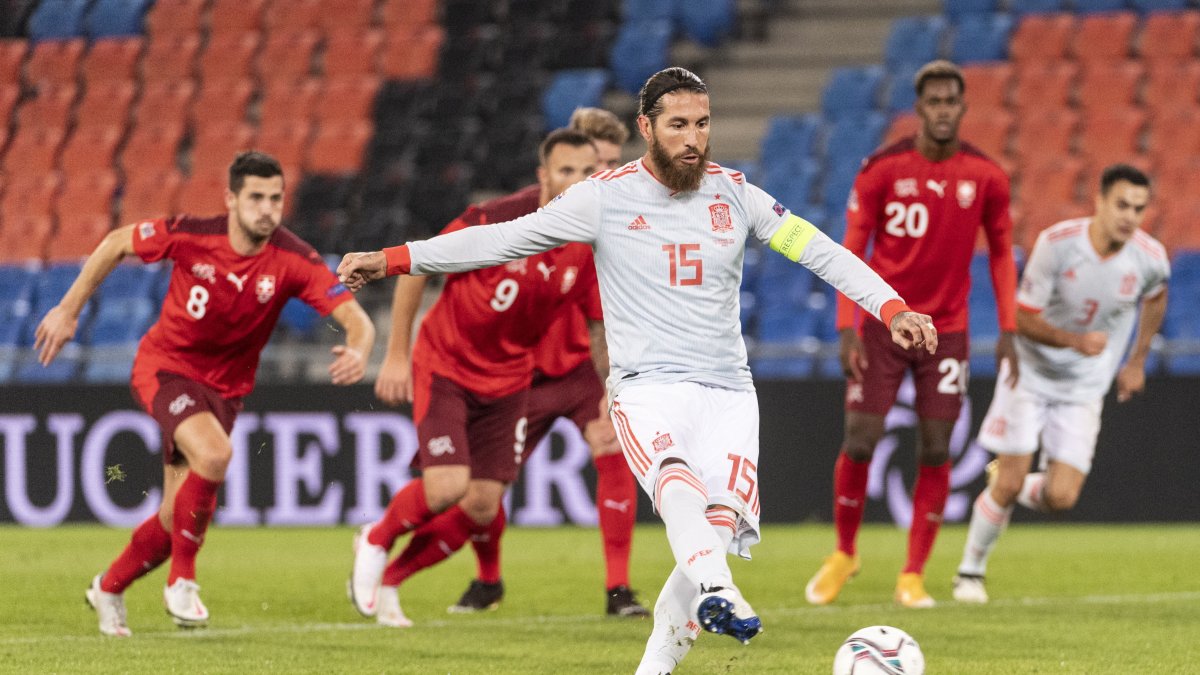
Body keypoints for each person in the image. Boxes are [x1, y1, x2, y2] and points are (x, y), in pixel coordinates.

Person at [338, 67, 938, 674]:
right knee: (677, 487)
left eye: (701, 124)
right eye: (678, 125)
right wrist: (394, 259)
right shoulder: (604, 198)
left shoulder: (737, 196)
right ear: (646, 128)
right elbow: (499, 241)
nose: (693, 139)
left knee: (716, 530)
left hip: (729, 393)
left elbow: (819, 251)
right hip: (647, 388)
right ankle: (720, 589)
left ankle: (667, 650)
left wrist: (892, 308)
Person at [34, 151, 375, 637]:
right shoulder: (193, 234)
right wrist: (68, 310)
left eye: (275, 199)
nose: (267, 209)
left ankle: (108, 587)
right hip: (165, 369)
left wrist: (359, 349)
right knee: (214, 454)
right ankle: (183, 581)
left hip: (225, 392)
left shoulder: (294, 259)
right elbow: (115, 242)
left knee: (175, 516)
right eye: (256, 198)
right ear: (231, 199)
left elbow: (356, 320)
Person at [385, 108, 646, 617]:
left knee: (611, 444)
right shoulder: (522, 218)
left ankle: (619, 589)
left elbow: (609, 313)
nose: (603, 175)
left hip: (578, 369)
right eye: (594, 164)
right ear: (556, 169)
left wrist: (617, 382)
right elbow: (434, 260)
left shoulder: (609, 224)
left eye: (612, 165)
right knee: (478, 498)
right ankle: (483, 578)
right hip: (518, 374)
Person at [804, 59, 1019, 609]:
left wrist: (1009, 327)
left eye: (952, 101)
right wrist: (847, 326)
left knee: (937, 446)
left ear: (963, 107)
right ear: (919, 108)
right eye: (934, 101)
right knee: (859, 439)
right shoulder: (882, 170)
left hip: (946, 330)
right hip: (884, 324)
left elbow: (1001, 255)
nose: (943, 110)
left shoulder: (986, 176)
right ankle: (844, 553)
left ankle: (913, 574)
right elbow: (850, 251)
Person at [952, 164, 1169, 603]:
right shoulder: (1058, 245)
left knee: (1061, 497)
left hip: (1085, 386)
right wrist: (1075, 341)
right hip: (1030, 375)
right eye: (1122, 205)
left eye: (1138, 209)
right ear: (1099, 202)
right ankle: (969, 574)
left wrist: (1137, 360)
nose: (1129, 217)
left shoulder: (1149, 258)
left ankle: (1006, 481)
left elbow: (1157, 295)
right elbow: (1021, 318)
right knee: (1009, 484)